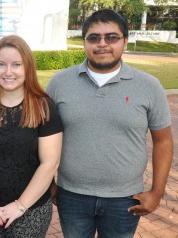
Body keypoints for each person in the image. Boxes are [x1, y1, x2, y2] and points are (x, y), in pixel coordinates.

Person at [46, 9, 173, 238]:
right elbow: (41, 138)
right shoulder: (59, 84)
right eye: (94, 37)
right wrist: (48, 184)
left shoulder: (149, 86)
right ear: (84, 42)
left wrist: (157, 191)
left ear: (125, 41)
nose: (102, 44)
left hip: (125, 200)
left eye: (111, 37)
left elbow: (162, 141)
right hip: (72, 196)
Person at [0, 35, 63, 238]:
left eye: (16, 65)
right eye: (1, 65)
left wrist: (20, 206)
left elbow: (50, 163)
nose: (8, 72)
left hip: (31, 209)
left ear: (28, 67)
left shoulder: (44, 108)